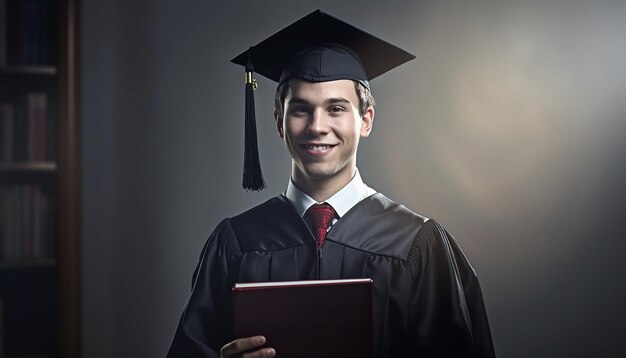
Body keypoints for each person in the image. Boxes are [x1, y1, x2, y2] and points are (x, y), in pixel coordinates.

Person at [167, 9, 495, 358]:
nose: (317, 126)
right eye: (301, 109)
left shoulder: (416, 244)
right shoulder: (235, 243)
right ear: (279, 121)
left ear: (365, 120)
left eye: (336, 108)